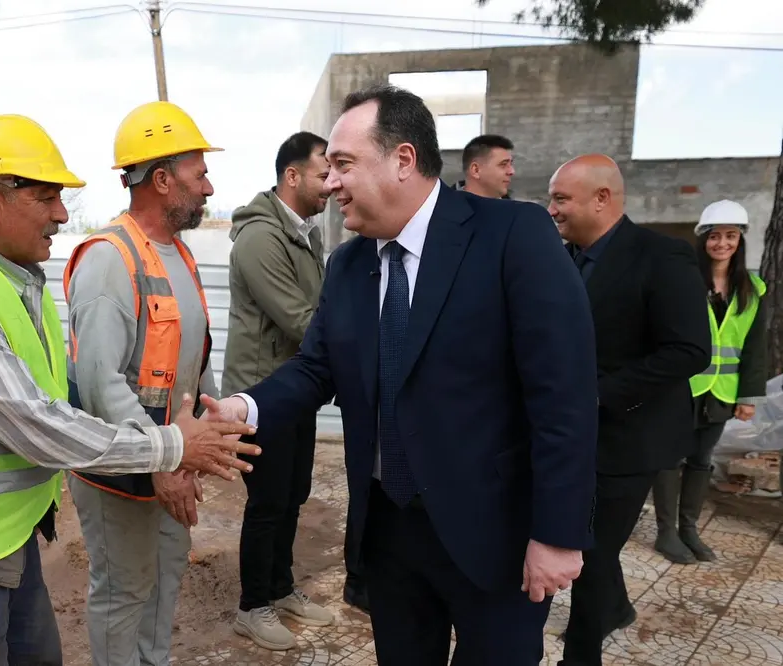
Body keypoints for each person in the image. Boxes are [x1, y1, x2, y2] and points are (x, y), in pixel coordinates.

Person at [203, 84, 599, 665]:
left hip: (496, 533)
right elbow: (315, 367)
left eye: (342, 164)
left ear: (403, 160)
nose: (330, 181)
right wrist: (244, 408)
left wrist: (559, 534)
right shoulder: (348, 264)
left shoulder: (512, 236)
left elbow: (563, 394)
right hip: (390, 532)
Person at [0, 114, 258, 666]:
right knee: (122, 592)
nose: (61, 213)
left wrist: (189, 440)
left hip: (6, 537)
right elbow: (40, 424)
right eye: (47, 197)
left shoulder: (16, 280)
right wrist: (169, 449)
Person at [62, 100, 230, 666]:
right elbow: (97, 380)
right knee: (124, 590)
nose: (208, 186)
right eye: (199, 173)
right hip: (121, 464)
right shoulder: (110, 258)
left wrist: (199, 444)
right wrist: (162, 459)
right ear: (161, 179)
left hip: (172, 458)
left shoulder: (178, 253)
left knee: (164, 579)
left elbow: (193, 358)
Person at [547, 154, 711, 666]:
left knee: (591, 558)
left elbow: (688, 350)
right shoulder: (565, 259)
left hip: (626, 436)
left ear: (602, 198)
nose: (551, 209)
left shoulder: (663, 257)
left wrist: (601, 393)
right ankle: (616, 608)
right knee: (590, 544)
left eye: (561, 199)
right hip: (568, 436)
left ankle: (583, 654)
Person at [222, 131, 336, 650]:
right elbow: (299, 318)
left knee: (293, 495)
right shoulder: (261, 237)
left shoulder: (303, 232)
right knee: (268, 501)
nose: (331, 184)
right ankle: (253, 606)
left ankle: (282, 587)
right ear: (293, 176)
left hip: (296, 389)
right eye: (322, 173)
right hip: (263, 394)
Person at [652, 199, 767, 564]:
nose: (722, 243)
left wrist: (748, 396)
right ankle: (666, 533)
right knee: (670, 458)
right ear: (703, 239)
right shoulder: (685, 280)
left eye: (731, 236)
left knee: (702, 461)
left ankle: (689, 529)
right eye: (715, 236)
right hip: (682, 389)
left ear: (740, 240)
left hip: (722, 391)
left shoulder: (752, 288)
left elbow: (754, 345)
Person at [448, 134, 514, 199]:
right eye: (503, 164)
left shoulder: (515, 208)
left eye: (511, 164)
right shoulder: (444, 208)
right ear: (476, 170)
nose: (512, 171)